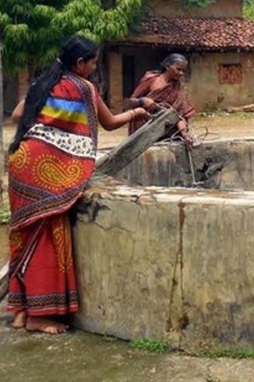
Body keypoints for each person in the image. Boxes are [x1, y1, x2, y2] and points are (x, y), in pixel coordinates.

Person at [8, 35, 149, 334]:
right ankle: (38, 316)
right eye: (94, 61)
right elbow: (109, 122)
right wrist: (137, 113)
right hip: (46, 170)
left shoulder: (45, 83)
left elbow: (18, 114)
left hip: (22, 164)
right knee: (49, 237)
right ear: (80, 63)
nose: (95, 67)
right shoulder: (84, 88)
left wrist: (49, 124)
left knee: (26, 236)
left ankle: (21, 310)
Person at [128, 53, 196, 145]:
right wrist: (143, 100)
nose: (181, 73)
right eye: (178, 69)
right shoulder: (152, 80)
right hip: (145, 127)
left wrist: (185, 134)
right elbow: (131, 101)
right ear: (168, 66)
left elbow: (179, 116)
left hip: (167, 132)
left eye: (183, 71)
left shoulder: (179, 88)